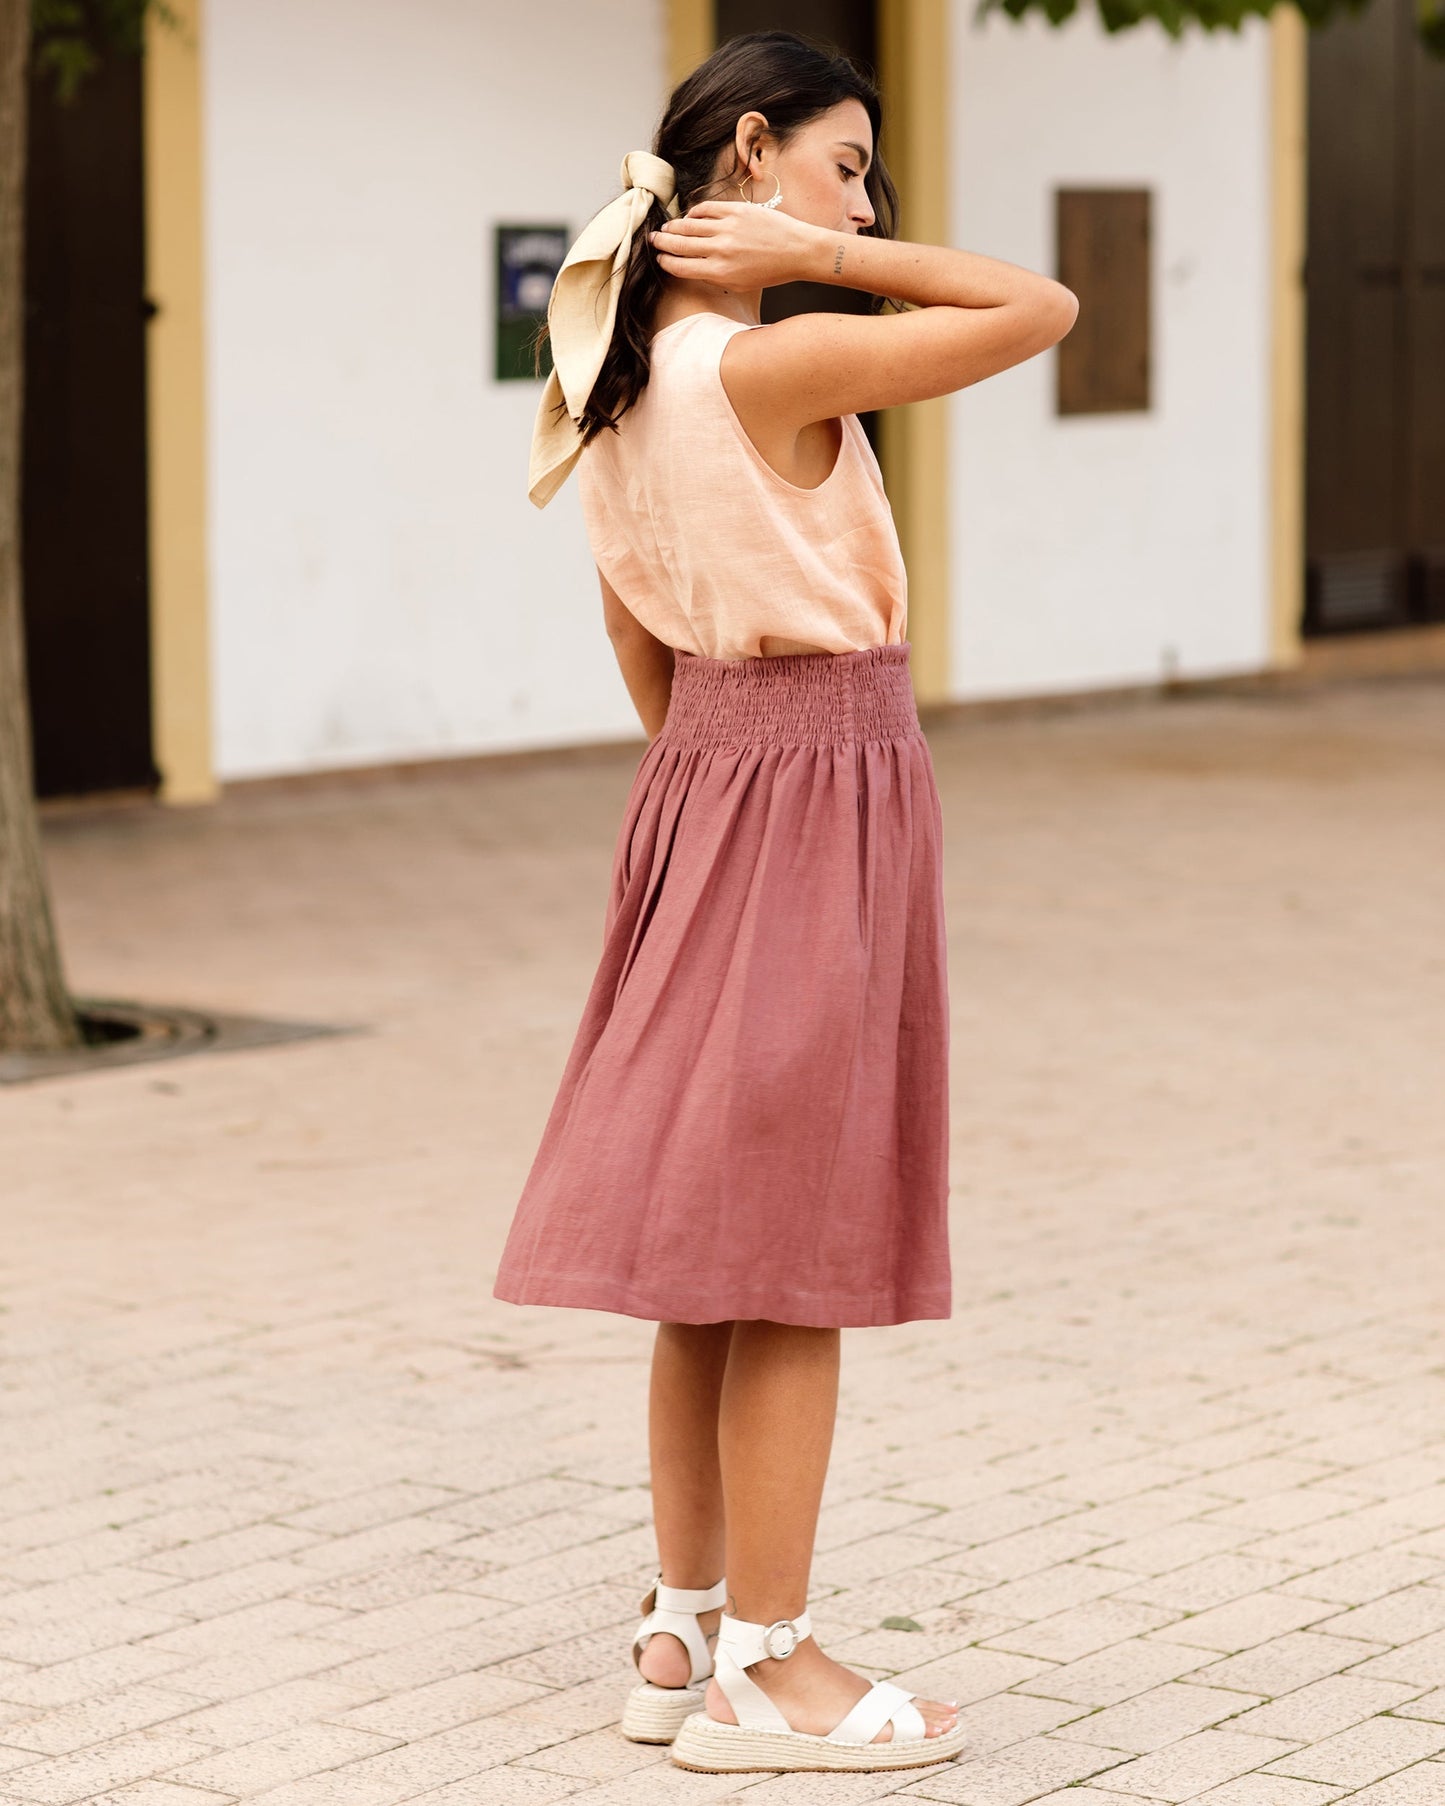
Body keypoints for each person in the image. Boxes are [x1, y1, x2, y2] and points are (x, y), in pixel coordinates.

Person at [492, 29, 1077, 1776]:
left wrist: (726, 780)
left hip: (699, 794)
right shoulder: (774, 362)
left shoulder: (612, 384)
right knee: (796, 1256)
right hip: (814, 795)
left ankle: (677, 1633)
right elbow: (1036, 306)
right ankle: (773, 1661)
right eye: (845, 165)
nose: (864, 199)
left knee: (706, 1257)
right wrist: (815, 258)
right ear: (752, 153)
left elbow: (630, 638)